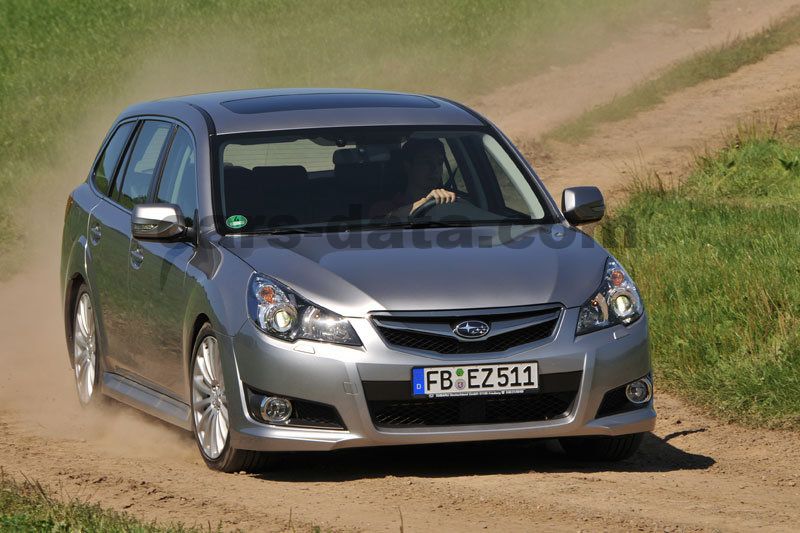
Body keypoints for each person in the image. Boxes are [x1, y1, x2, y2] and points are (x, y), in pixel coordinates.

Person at [379, 138, 456, 218]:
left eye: (439, 163)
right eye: (427, 162)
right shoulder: (384, 207)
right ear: (407, 166)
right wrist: (426, 202)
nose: (435, 169)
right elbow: (385, 222)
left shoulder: (450, 202)